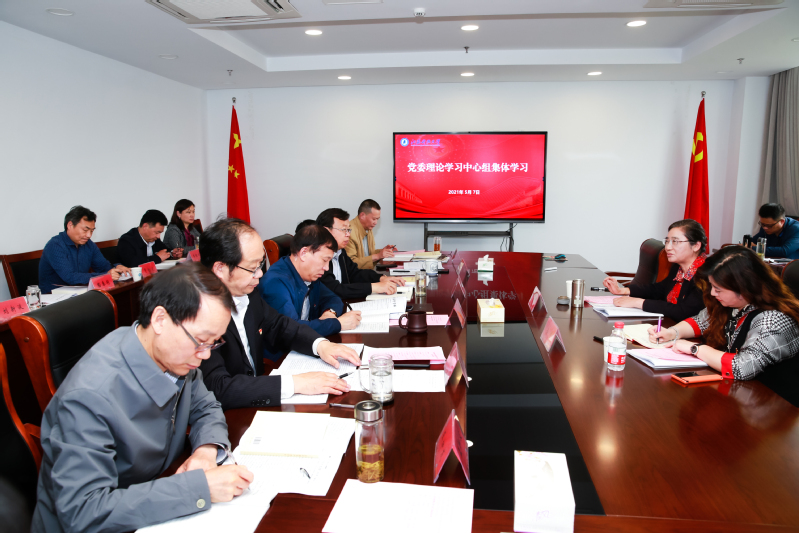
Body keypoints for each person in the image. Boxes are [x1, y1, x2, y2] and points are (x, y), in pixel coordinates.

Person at [33, 263, 254, 533]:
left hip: (154, 494)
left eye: (214, 342)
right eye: (201, 340)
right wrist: (200, 489)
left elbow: (206, 406)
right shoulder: (89, 397)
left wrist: (206, 451)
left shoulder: (173, 356)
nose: (206, 354)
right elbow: (84, 512)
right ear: (160, 319)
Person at [199, 218, 360, 410]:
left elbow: (279, 325)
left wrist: (320, 345)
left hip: (257, 401)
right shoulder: (197, 313)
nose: (260, 274)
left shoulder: (248, 293)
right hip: (230, 413)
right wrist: (295, 384)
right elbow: (219, 387)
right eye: (252, 268)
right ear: (220, 269)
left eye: (260, 265)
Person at [649, 246, 799, 404]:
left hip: (771, 404)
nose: (713, 293)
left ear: (744, 288)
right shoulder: (733, 303)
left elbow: (742, 367)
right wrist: (672, 332)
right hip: (738, 394)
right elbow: (700, 321)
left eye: (718, 289)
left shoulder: (773, 319)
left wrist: (695, 349)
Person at [260, 223, 362, 346]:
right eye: (324, 260)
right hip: (283, 354)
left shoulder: (309, 274)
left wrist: (330, 313)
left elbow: (333, 298)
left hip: (307, 345)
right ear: (304, 253)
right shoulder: (275, 283)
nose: (326, 268)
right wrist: (338, 324)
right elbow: (291, 330)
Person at [602, 219, 707, 322]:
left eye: (675, 242)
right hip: (671, 325)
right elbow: (659, 289)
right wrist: (622, 290)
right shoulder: (678, 267)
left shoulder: (706, 274)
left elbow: (684, 312)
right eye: (667, 241)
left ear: (696, 246)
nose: (668, 247)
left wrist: (638, 303)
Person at [317, 208, 406, 299]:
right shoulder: (318, 257)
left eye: (348, 230)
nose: (348, 234)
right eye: (343, 229)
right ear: (326, 231)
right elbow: (335, 289)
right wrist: (374, 287)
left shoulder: (340, 252)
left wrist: (381, 278)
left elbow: (355, 273)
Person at [39, 205, 130, 293]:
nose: (89, 235)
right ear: (70, 225)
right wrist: (106, 275)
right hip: (53, 296)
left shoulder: (89, 244)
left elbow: (103, 267)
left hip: (81, 293)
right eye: (85, 230)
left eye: (92, 231)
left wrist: (117, 268)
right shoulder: (55, 245)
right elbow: (70, 277)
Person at [345, 199, 397, 269]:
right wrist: (378, 256)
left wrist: (383, 252)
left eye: (377, 219)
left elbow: (367, 254)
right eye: (374, 219)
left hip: (367, 273)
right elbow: (351, 263)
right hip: (356, 275)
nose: (376, 223)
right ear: (362, 215)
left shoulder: (368, 228)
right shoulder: (349, 232)